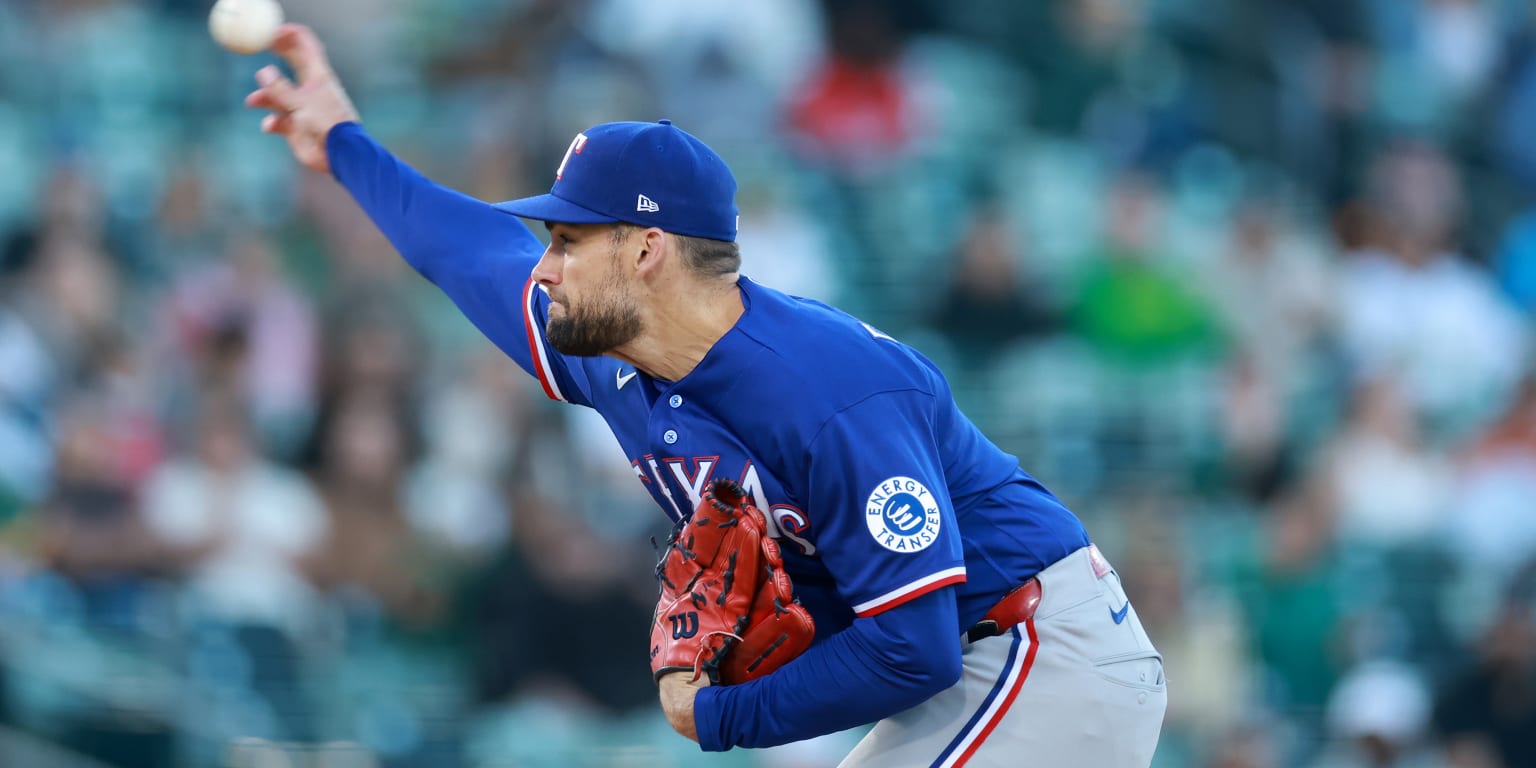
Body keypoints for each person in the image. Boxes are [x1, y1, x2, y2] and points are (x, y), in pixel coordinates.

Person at [244, 24, 1168, 765]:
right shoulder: (612, 355)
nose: (548, 266)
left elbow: (911, 646)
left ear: (646, 251)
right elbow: (464, 248)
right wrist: (345, 144)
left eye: (569, 241)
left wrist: (718, 715)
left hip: (1041, 653)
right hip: (968, 664)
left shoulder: (829, 390)